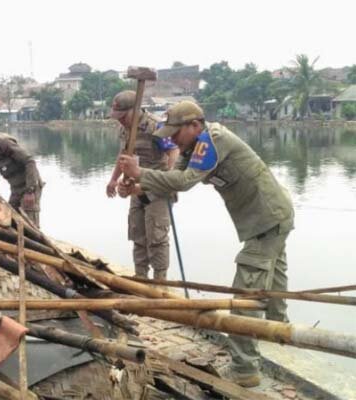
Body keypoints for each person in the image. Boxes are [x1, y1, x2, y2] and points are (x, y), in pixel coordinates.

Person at [117, 101, 294, 388]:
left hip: (267, 218)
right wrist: (138, 187)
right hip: (267, 218)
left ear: (195, 125)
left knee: (246, 296)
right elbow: (176, 181)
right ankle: (277, 331)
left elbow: (184, 181)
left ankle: (244, 369)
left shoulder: (213, 140)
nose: (171, 139)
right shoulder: (193, 148)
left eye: (176, 133)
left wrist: (140, 173)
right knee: (272, 282)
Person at [106, 91, 179, 280]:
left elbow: (173, 152)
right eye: (118, 118)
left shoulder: (156, 126)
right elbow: (123, 156)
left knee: (157, 239)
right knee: (138, 237)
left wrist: (168, 179)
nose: (120, 121)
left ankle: (160, 282)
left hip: (156, 191)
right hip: (135, 190)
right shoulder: (124, 130)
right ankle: (140, 279)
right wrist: (114, 180)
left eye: (123, 117)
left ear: (135, 110)